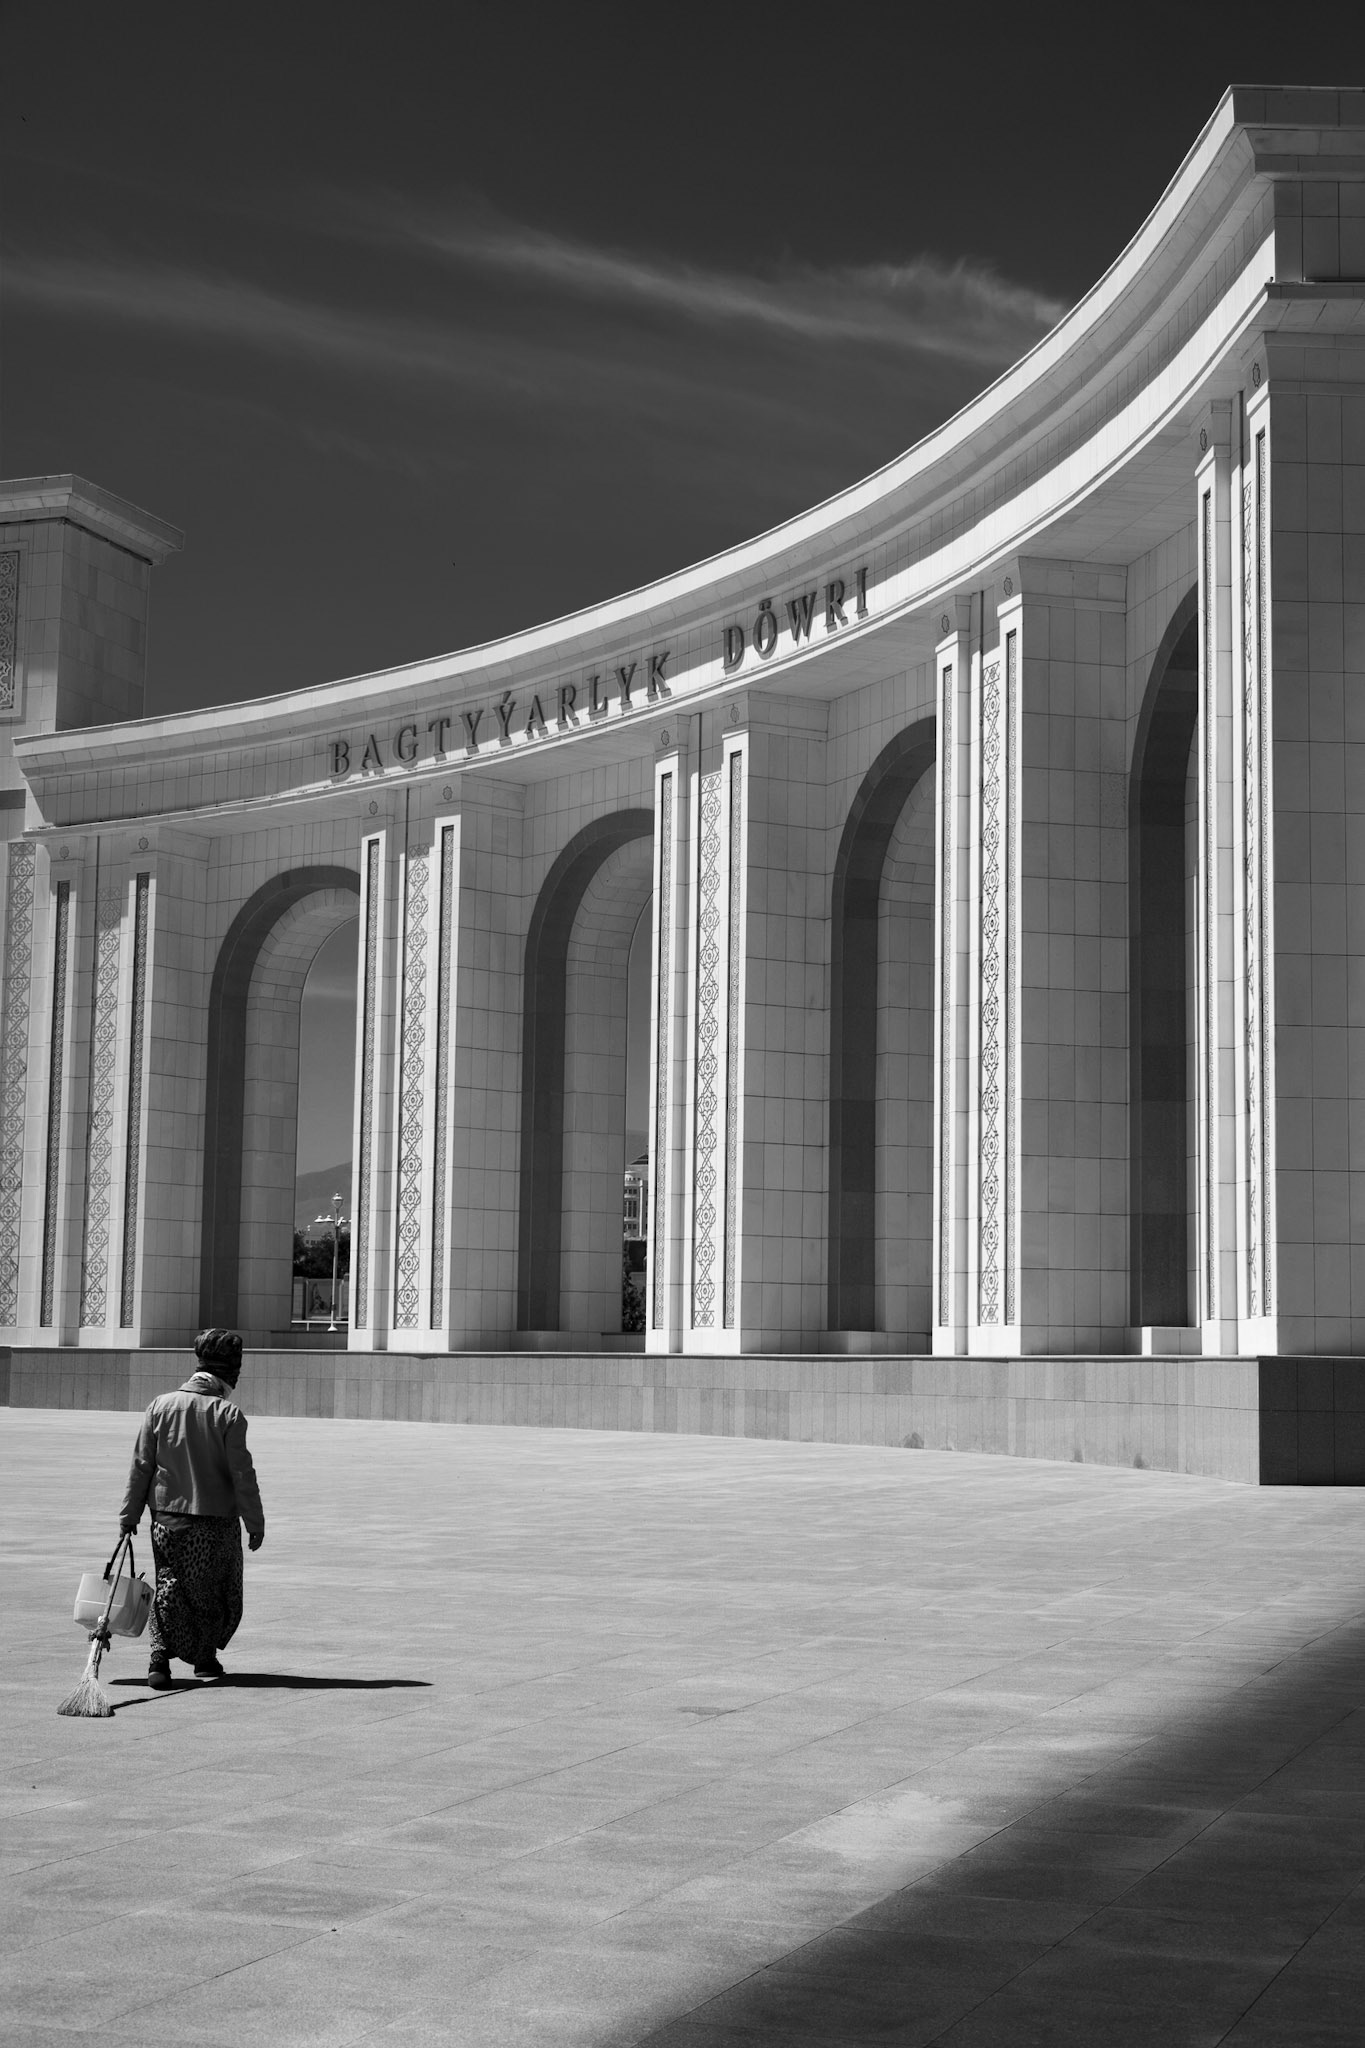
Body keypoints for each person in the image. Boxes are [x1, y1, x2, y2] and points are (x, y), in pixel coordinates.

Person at [119, 1329, 265, 1690]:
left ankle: (158, 1660)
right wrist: (254, 1522)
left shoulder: (160, 1406)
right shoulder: (228, 1414)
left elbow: (142, 1465)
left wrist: (129, 1516)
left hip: (168, 1519)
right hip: (215, 1521)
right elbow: (242, 1475)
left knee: (170, 1584)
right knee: (213, 1589)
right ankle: (204, 1658)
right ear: (228, 1375)